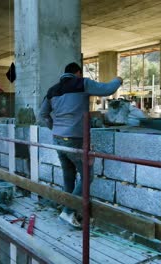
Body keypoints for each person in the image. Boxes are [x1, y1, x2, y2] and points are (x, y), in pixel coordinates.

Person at [39, 62, 122, 227]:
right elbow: (107, 89)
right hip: (75, 139)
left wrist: (54, 128)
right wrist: (118, 80)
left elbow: (42, 114)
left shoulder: (52, 90)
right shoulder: (82, 83)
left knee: (68, 176)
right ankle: (68, 212)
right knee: (87, 176)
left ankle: (67, 210)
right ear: (77, 72)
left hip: (58, 138)